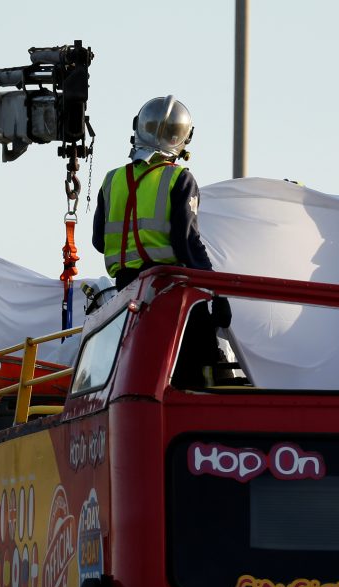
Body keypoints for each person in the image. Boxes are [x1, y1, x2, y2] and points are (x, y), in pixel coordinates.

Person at [91, 96, 230, 387]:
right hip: (169, 291)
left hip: (126, 295)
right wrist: (218, 291)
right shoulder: (180, 179)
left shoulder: (111, 180)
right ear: (183, 140)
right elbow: (188, 245)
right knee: (198, 366)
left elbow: (99, 242)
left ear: (137, 128)